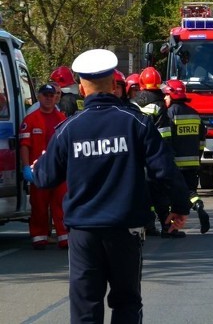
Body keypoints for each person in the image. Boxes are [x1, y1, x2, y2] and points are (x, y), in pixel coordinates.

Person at [32, 49, 191, 323]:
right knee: (127, 302)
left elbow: (44, 178)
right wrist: (179, 207)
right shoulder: (137, 122)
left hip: (83, 231)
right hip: (125, 229)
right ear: (115, 85)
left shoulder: (68, 129)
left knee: (85, 307)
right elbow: (165, 170)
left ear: (81, 88)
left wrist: (37, 166)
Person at [131, 67, 181, 237]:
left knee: (143, 192)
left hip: (137, 155)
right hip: (154, 154)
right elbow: (164, 134)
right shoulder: (159, 105)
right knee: (160, 193)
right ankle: (167, 227)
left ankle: (148, 225)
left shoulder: (133, 103)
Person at [20, 83, 68, 249]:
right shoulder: (30, 120)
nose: (48, 98)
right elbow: (25, 146)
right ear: (39, 97)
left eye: (51, 95)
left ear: (56, 97)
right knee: (39, 205)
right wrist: (26, 167)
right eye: (45, 95)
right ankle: (39, 237)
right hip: (38, 170)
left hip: (59, 170)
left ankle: (64, 237)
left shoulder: (62, 119)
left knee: (61, 203)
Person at [162, 79, 210, 234]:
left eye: (166, 96)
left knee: (174, 196)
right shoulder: (194, 114)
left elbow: (167, 139)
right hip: (193, 162)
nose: (164, 99)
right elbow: (202, 140)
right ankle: (198, 205)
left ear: (171, 95)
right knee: (190, 191)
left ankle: (172, 228)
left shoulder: (170, 113)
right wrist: (198, 156)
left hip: (176, 164)